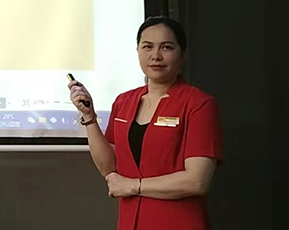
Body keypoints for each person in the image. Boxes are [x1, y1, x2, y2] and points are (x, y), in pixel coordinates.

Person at [68, 16, 223, 230]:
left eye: (166, 47)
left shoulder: (199, 104)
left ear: (183, 54)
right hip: (131, 221)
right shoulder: (124, 101)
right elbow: (110, 168)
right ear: (138, 51)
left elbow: (197, 181)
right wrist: (89, 116)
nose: (155, 56)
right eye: (147, 47)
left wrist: (133, 186)